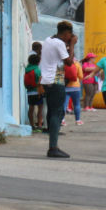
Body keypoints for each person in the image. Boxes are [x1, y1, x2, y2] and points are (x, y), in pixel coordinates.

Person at [39, 20, 77, 158]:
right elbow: (69, 62)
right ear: (66, 33)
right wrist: (72, 45)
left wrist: (68, 43)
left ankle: (52, 142)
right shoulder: (60, 44)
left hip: (46, 81)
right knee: (57, 113)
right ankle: (53, 147)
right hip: (56, 81)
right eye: (69, 35)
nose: (70, 38)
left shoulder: (48, 40)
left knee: (51, 112)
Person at [24, 54, 44, 132]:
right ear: (38, 62)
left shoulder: (27, 70)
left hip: (29, 92)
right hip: (37, 92)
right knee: (40, 109)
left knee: (31, 108)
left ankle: (32, 125)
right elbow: (40, 81)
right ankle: (39, 125)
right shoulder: (37, 70)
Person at [61, 58, 83, 126]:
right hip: (76, 87)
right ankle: (78, 120)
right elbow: (81, 76)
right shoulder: (77, 64)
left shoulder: (63, 65)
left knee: (64, 104)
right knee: (77, 104)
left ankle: (62, 120)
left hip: (65, 87)